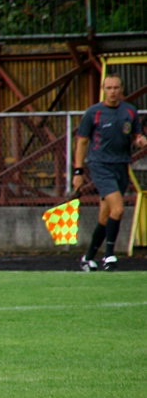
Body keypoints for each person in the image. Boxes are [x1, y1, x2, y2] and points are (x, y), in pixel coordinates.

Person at [73, 74, 147, 271]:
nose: (113, 91)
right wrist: (78, 171)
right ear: (103, 89)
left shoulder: (130, 111)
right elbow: (81, 142)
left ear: (121, 89)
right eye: (109, 88)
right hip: (100, 165)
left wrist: (140, 140)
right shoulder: (93, 113)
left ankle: (88, 257)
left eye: (116, 88)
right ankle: (109, 256)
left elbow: (135, 135)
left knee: (105, 216)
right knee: (119, 209)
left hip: (121, 165)